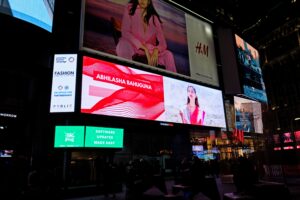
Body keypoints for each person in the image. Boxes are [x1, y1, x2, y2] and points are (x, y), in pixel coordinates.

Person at [116, 0, 177, 72]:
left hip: (150, 51)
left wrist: (156, 50)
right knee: (123, 44)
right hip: (134, 47)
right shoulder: (130, 9)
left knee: (168, 55)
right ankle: (126, 74)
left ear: (149, 1)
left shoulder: (154, 18)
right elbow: (125, 32)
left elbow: (163, 43)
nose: (142, 0)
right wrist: (143, 47)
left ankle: (170, 81)